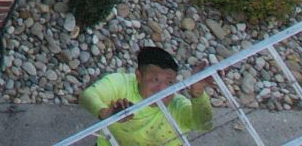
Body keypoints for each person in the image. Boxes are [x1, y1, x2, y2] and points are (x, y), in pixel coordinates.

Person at [82, 44, 214, 146]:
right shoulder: (121, 83)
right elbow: (87, 96)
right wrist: (105, 114)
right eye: (155, 79)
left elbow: (203, 124)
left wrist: (197, 92)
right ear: (139, 76)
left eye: (169, 82)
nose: (162, 89)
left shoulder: (177, 105)